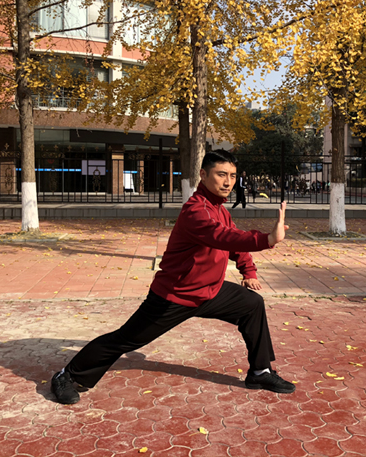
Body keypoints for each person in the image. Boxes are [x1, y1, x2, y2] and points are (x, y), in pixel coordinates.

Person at [51, 149, 295, 405]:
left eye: (232, 176)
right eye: (221, 174)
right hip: (174, 296)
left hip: (209, 291)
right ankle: (66, 376)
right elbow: (221, 236)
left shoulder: (220, 210)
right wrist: (267, 239)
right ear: (203, 175)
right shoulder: (196, 211)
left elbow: (233, 242)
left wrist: (248, 271)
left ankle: (260, 372)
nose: (228, 182)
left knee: (252, 305)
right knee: (125, 340)